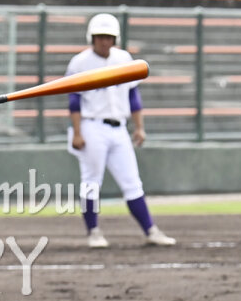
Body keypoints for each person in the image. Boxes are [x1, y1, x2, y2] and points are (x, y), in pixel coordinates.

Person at [66, 13, 176, 249]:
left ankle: (150, 230)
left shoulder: (123, 58)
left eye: (109, 37)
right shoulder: (80, 62)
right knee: (91, 181)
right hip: (92, 126)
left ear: (115, 39)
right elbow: (74, 100)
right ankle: (93, 232)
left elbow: (133, 95)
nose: (104, 41)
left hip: (119, 128)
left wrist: (139, 127)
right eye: (100, 36)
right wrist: (77, 132)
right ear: (92, 38)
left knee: (132, 182)